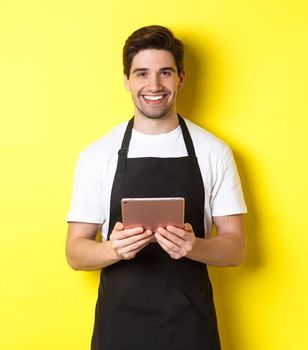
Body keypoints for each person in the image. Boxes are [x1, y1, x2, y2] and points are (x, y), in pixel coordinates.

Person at [65, 25, 247, 350]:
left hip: (191, 328)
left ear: (181, 77)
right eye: (142, 73)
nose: (154, 85)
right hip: (118, 329)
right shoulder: (97, 155)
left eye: (165, 72)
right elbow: (75, 252)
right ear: (126, 80)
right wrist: (113, 249)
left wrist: (194, 246)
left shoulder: (213, 151)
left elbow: (235, 247)